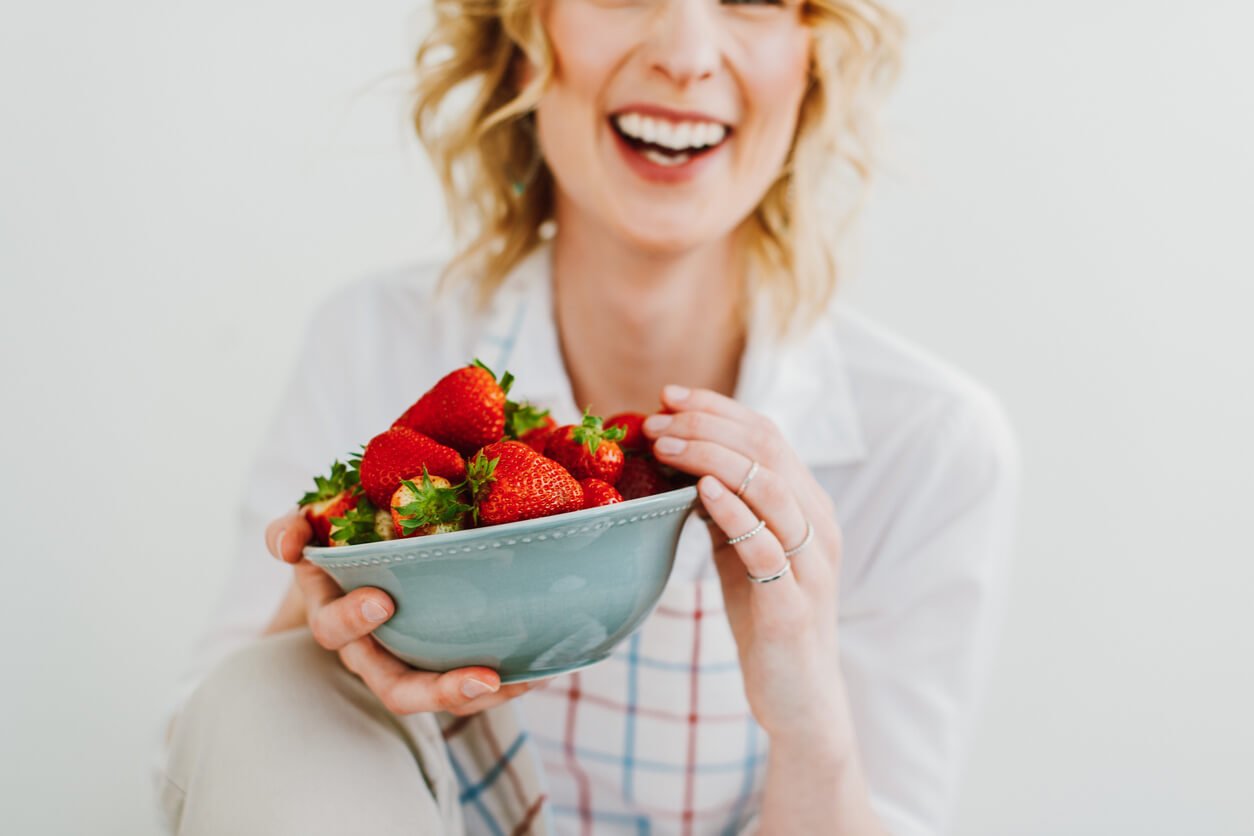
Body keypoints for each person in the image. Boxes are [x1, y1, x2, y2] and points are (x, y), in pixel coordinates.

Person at [157, 0, 1022, 834]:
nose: (685, 52)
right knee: (267, 689)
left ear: (811, 57)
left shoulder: (929, 446)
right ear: (525, 33)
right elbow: (205, 757)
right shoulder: (376, 341)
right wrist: (322, 641)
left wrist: (811, 727)